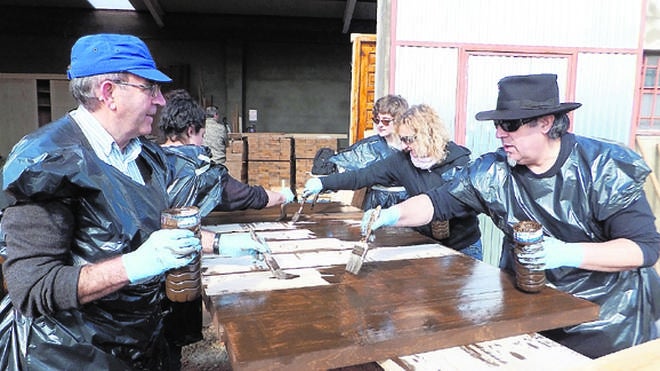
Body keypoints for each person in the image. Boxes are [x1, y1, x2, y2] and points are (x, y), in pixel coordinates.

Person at [0, 33, 263, 370]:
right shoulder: (48, 161)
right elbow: (32, 286)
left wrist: (220, 244)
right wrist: (134, 266)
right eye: (149, 88)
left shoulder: (143, 154)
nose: (161, 101)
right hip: (77, 354)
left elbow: (155, 235)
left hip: (144, 343)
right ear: (109, 92)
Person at [360, 73, 660, 358]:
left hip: (604, 318)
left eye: (510, 124)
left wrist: (567, 253)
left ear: (545, 122)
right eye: (498, 124)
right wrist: (390, 214)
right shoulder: (494, 172)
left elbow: (643, 247)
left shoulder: (602, 167)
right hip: (529, 306)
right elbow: (439, 203)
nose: (500, 133)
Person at [156, 89, 294, 369]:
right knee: (166, 347)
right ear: (192, 129)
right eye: (201, 135)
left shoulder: (147, 159)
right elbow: (247, 196)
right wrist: (284, 196)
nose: (202, 141)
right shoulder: (200, 169)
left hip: (138, 285)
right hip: (176, 274)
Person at [303, 104, 483, 260]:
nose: (404, 146)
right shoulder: (403, 161)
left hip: (463, 246)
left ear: (428, 134)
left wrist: (395, 215)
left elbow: (461, 205)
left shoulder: (459, 162)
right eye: (401, 139)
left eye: (408, 139)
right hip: (426, 244)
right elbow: (362, 176)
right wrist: (324, 183)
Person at [327, 94, 409, 209]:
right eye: (376, 120)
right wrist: (325, 175)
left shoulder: (413, 145)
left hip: (408, 202)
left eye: (386, 121)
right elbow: (341, 165)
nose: (380, 125)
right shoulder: (369, 146)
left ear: (399, 121)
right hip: (377, 203)